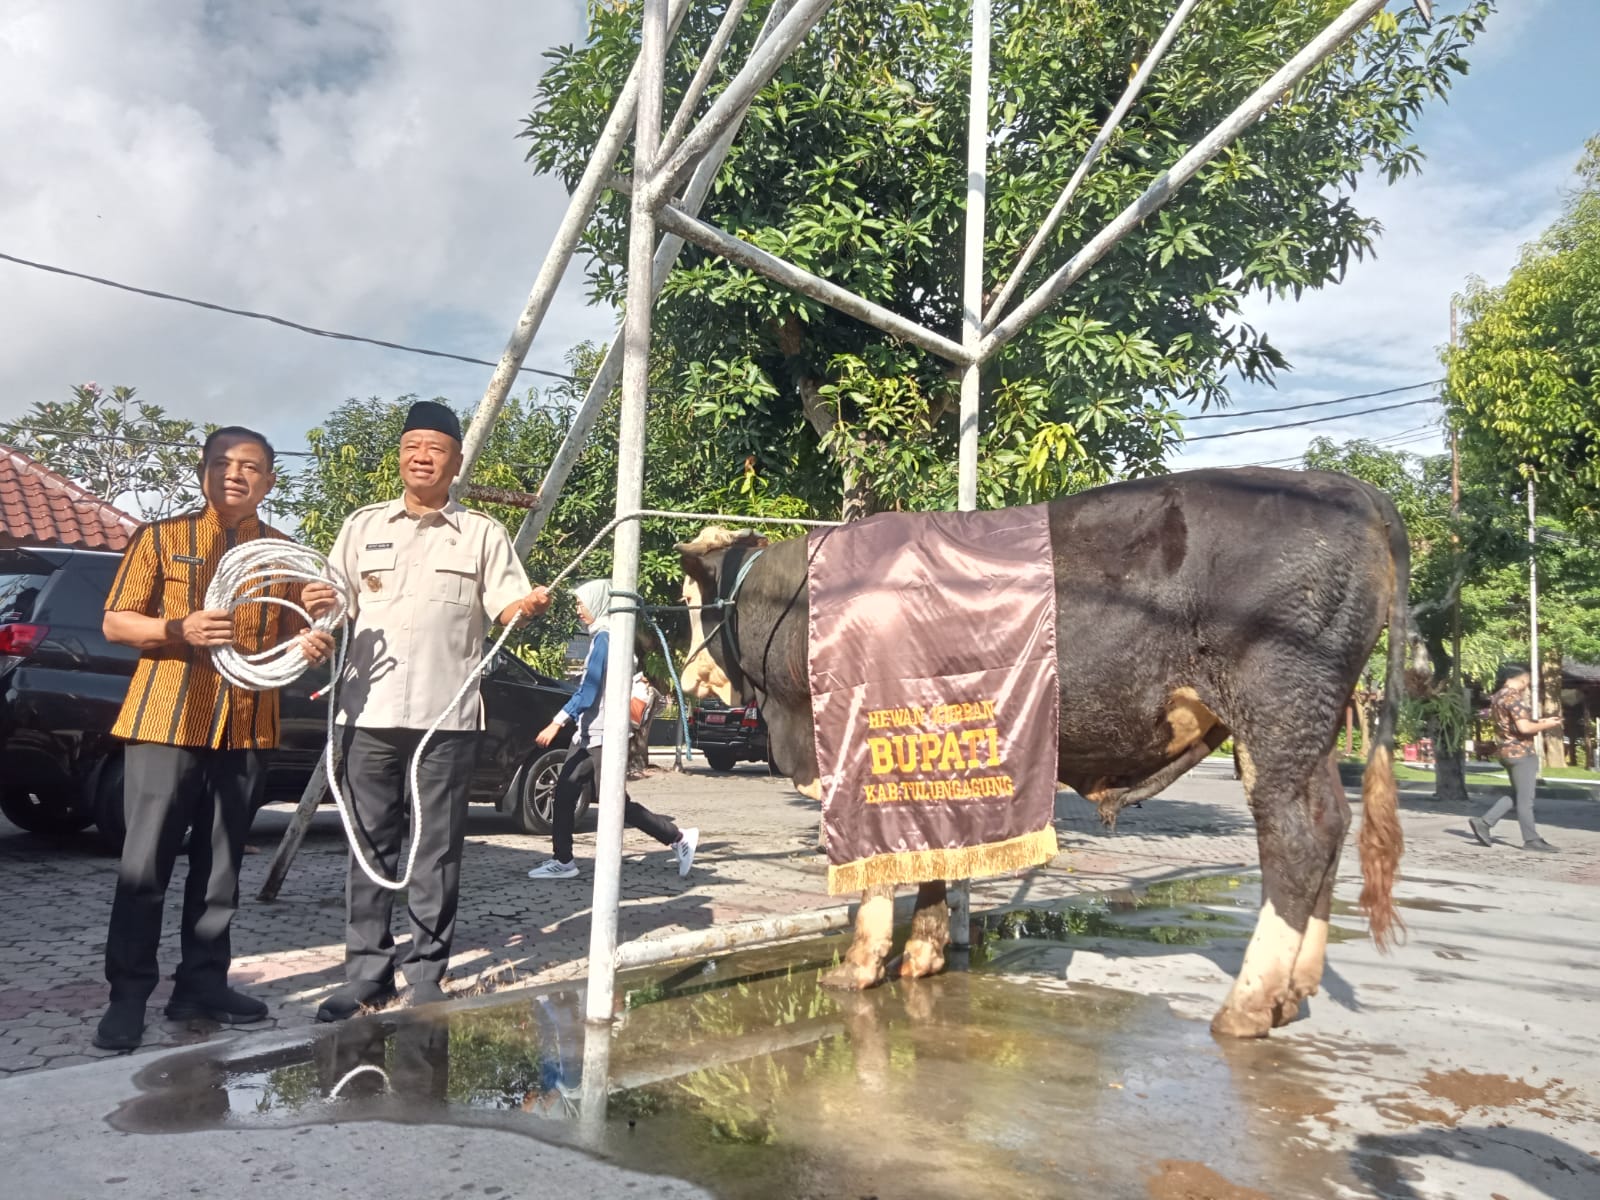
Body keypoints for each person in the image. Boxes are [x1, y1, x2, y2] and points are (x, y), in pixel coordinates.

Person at [304, 400, 550, 1022]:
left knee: (436, 850)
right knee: (368, 845)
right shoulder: (362, 527)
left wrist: (527, 606)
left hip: (447, 719)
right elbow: (332, 608)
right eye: (413, 445)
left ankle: (427, 973)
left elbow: (506, 607)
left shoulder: (483, 534)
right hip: (368, 713)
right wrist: (317, 609)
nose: (422, 456)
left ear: (456, 461)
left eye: (435, 448)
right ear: (401, 455)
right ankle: (366, 975)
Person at [95, 427, 336, 1051]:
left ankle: (201, 985)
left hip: (247, 726)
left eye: (251, 466)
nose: (236, 474)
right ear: (203, 471)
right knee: (144, 865)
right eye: (225, 463)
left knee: (220, 867)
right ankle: (127, 997)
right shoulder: (161, 538)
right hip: (165, 721)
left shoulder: (283, 556)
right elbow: (116, 622)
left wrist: (315, 637)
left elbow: (296, 640)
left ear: (270, 480)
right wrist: (180, 626)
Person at [525, 579, 698, 880]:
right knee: (565, 793)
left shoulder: (605, 639)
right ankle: (563, 860)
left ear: (598, 603)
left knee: (615, 803)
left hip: (603, 735)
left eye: (583, 602)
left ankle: (678, 838)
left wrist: (557, 721)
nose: (579, 609)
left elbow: (589, 691)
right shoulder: (602, 638)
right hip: (590, 734)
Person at [1469, 664, 1563, 853]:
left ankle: (1484, 822)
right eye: (1527, 680)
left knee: (1517, 793)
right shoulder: (1514, 698)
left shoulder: (1497, 697)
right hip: (1521, 753)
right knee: (1526, 800)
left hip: (1505, 751)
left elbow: (1513, 725)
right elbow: (1524, 728)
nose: (1527, 684)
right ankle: (1531, 839)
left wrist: (1542, 722)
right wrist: (1547, 725)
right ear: (1522, 678)